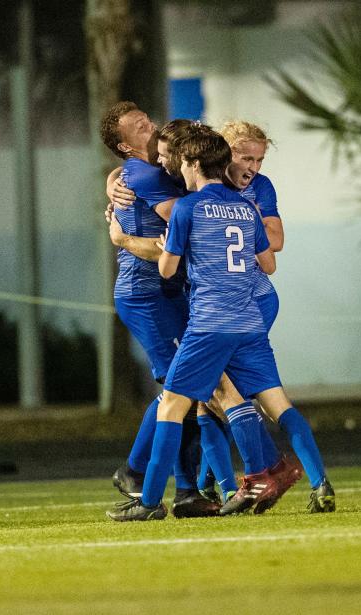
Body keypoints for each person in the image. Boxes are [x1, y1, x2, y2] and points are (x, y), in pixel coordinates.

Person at [107, 126, 333, 521]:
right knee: (274, 404)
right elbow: (269, 264)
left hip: (209, 323)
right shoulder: (247, 208)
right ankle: (299, 481)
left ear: (193, 163)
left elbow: (167, 270)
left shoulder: (187, 209)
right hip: (249, 320)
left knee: (173, 407)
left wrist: (149, 244)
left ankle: (148, 503)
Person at [98, 103, 217, 517]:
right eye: (138, 127)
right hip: (145, 294)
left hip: (170, 292)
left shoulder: (150, 170)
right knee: (180, 388)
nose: (150, 127)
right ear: (123, 145)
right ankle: (138, 473)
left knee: (189, 389)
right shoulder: (145, 174)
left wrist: (112, 180)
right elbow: (188, 222)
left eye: (148, 120)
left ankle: (186, 491)